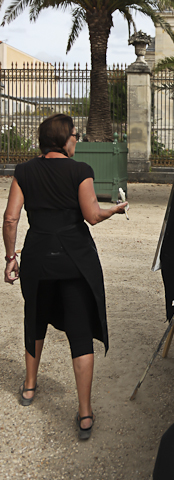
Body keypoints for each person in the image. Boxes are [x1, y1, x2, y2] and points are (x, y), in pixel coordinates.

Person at [3, 114, 128, 440]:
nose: (77, 139)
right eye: (75, 135)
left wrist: (10, 257)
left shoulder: (24, 171)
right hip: (75, 259)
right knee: (79, 329)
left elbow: (11, 218)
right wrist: (114, 209)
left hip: (38, 258)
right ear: (64, 139)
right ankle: (85, 413)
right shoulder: (80, 171)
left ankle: (30, 388)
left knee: (36, 318)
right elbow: (91, 216)